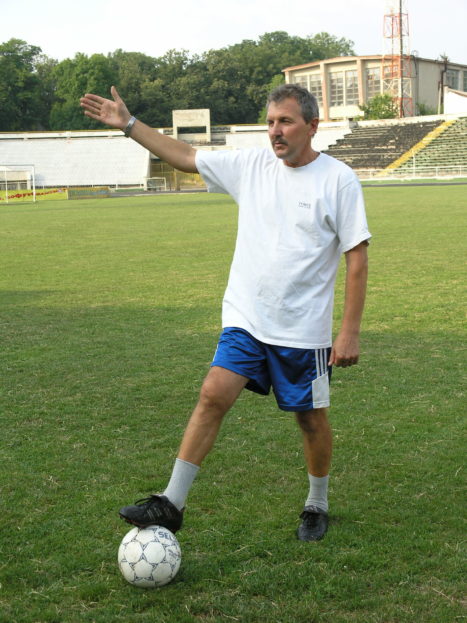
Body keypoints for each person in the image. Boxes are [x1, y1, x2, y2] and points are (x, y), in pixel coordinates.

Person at [80, 84, 370, 541]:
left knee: (310, 418)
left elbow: (357, 256)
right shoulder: (251, 166)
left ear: (312, 126)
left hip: (303, 330)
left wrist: (348, 331)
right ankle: (172, 502)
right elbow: (185, 155)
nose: (275, 131)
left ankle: (317, 503)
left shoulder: (338, 180)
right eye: (270, 122)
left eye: (286, 121)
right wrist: (129, 125)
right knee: (213, 393)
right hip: (247, 318)